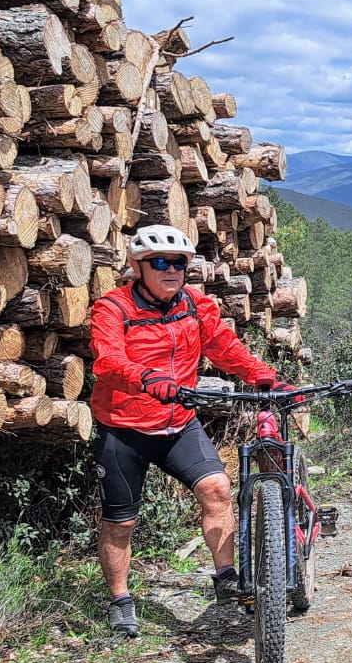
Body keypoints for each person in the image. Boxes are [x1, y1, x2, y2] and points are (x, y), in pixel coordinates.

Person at [89, 224, 294, 637]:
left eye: (179, 263)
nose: (171, 270)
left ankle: (226, 579)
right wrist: (146, 378)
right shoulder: (113, 308)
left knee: (217, 489)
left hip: (178, 425)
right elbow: (107, 359)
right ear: (138, 267)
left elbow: (224, 348)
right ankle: (121, 600)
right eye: (160, 262)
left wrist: (264, 377)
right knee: (121, 522)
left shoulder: (195, 305)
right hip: (125, 430)